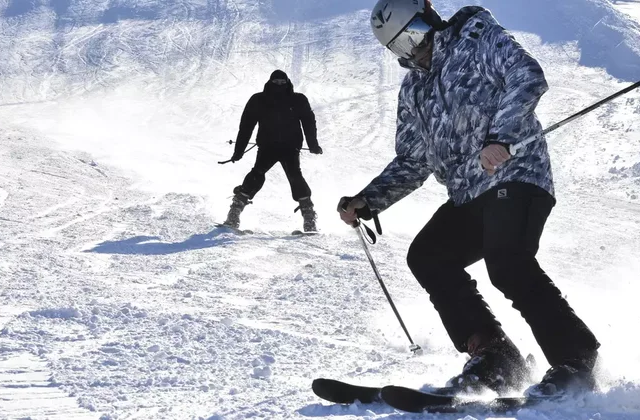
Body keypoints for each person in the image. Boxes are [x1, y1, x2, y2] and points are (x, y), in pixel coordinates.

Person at [337, 0, 600, 399]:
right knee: (428, 256)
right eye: (400, 47)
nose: (414, 49)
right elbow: (412, 160)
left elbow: (527, 75)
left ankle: (574, 362)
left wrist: (502, 138)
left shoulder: (475, 37)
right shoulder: (414, 88)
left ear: (428, 15)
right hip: (467, 193)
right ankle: (495, 358)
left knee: (507, 262)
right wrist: (367, 200)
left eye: (414, 35)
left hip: (517, 172)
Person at [222, 70, 323, 232]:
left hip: (290, 146)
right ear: (270, 83)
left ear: (288, 83)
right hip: (267, 146)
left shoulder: (298, 100)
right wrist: (238, 151)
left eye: (282, 83)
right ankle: (234, 212)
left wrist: (313, 144)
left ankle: (309, 217)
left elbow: (308, 122)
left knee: (295, 176)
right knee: (256, 174)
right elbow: (246, 125)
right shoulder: (259, 100)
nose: (279, 86)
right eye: (276, 83)